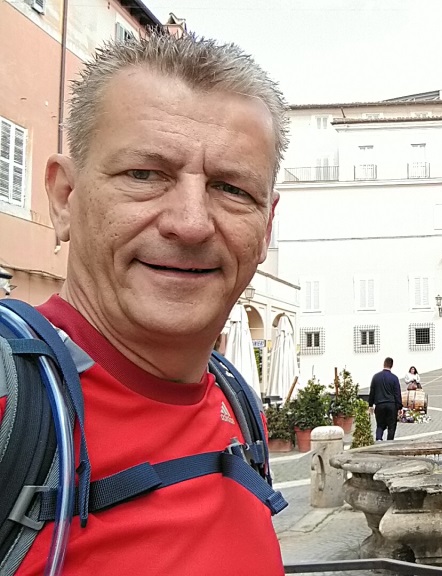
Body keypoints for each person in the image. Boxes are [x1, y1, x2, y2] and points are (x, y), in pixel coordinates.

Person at [0, 33, 289, 575]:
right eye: (144, 175)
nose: (191, 223)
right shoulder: (11, 401)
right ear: (65, 198)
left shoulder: (236, 405)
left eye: (231, 189)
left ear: (266, 227)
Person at [368, 357, 403, 441]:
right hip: (391, 405)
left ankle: (378, 440)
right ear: (392, 365)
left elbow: (372, 391)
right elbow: (397, 393)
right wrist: (399, 407)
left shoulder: (376, 377)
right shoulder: (394, 378)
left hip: (379, 405)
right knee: (391, 426)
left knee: (380, 425)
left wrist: (370, 404)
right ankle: (389, 443)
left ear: (384, 364)